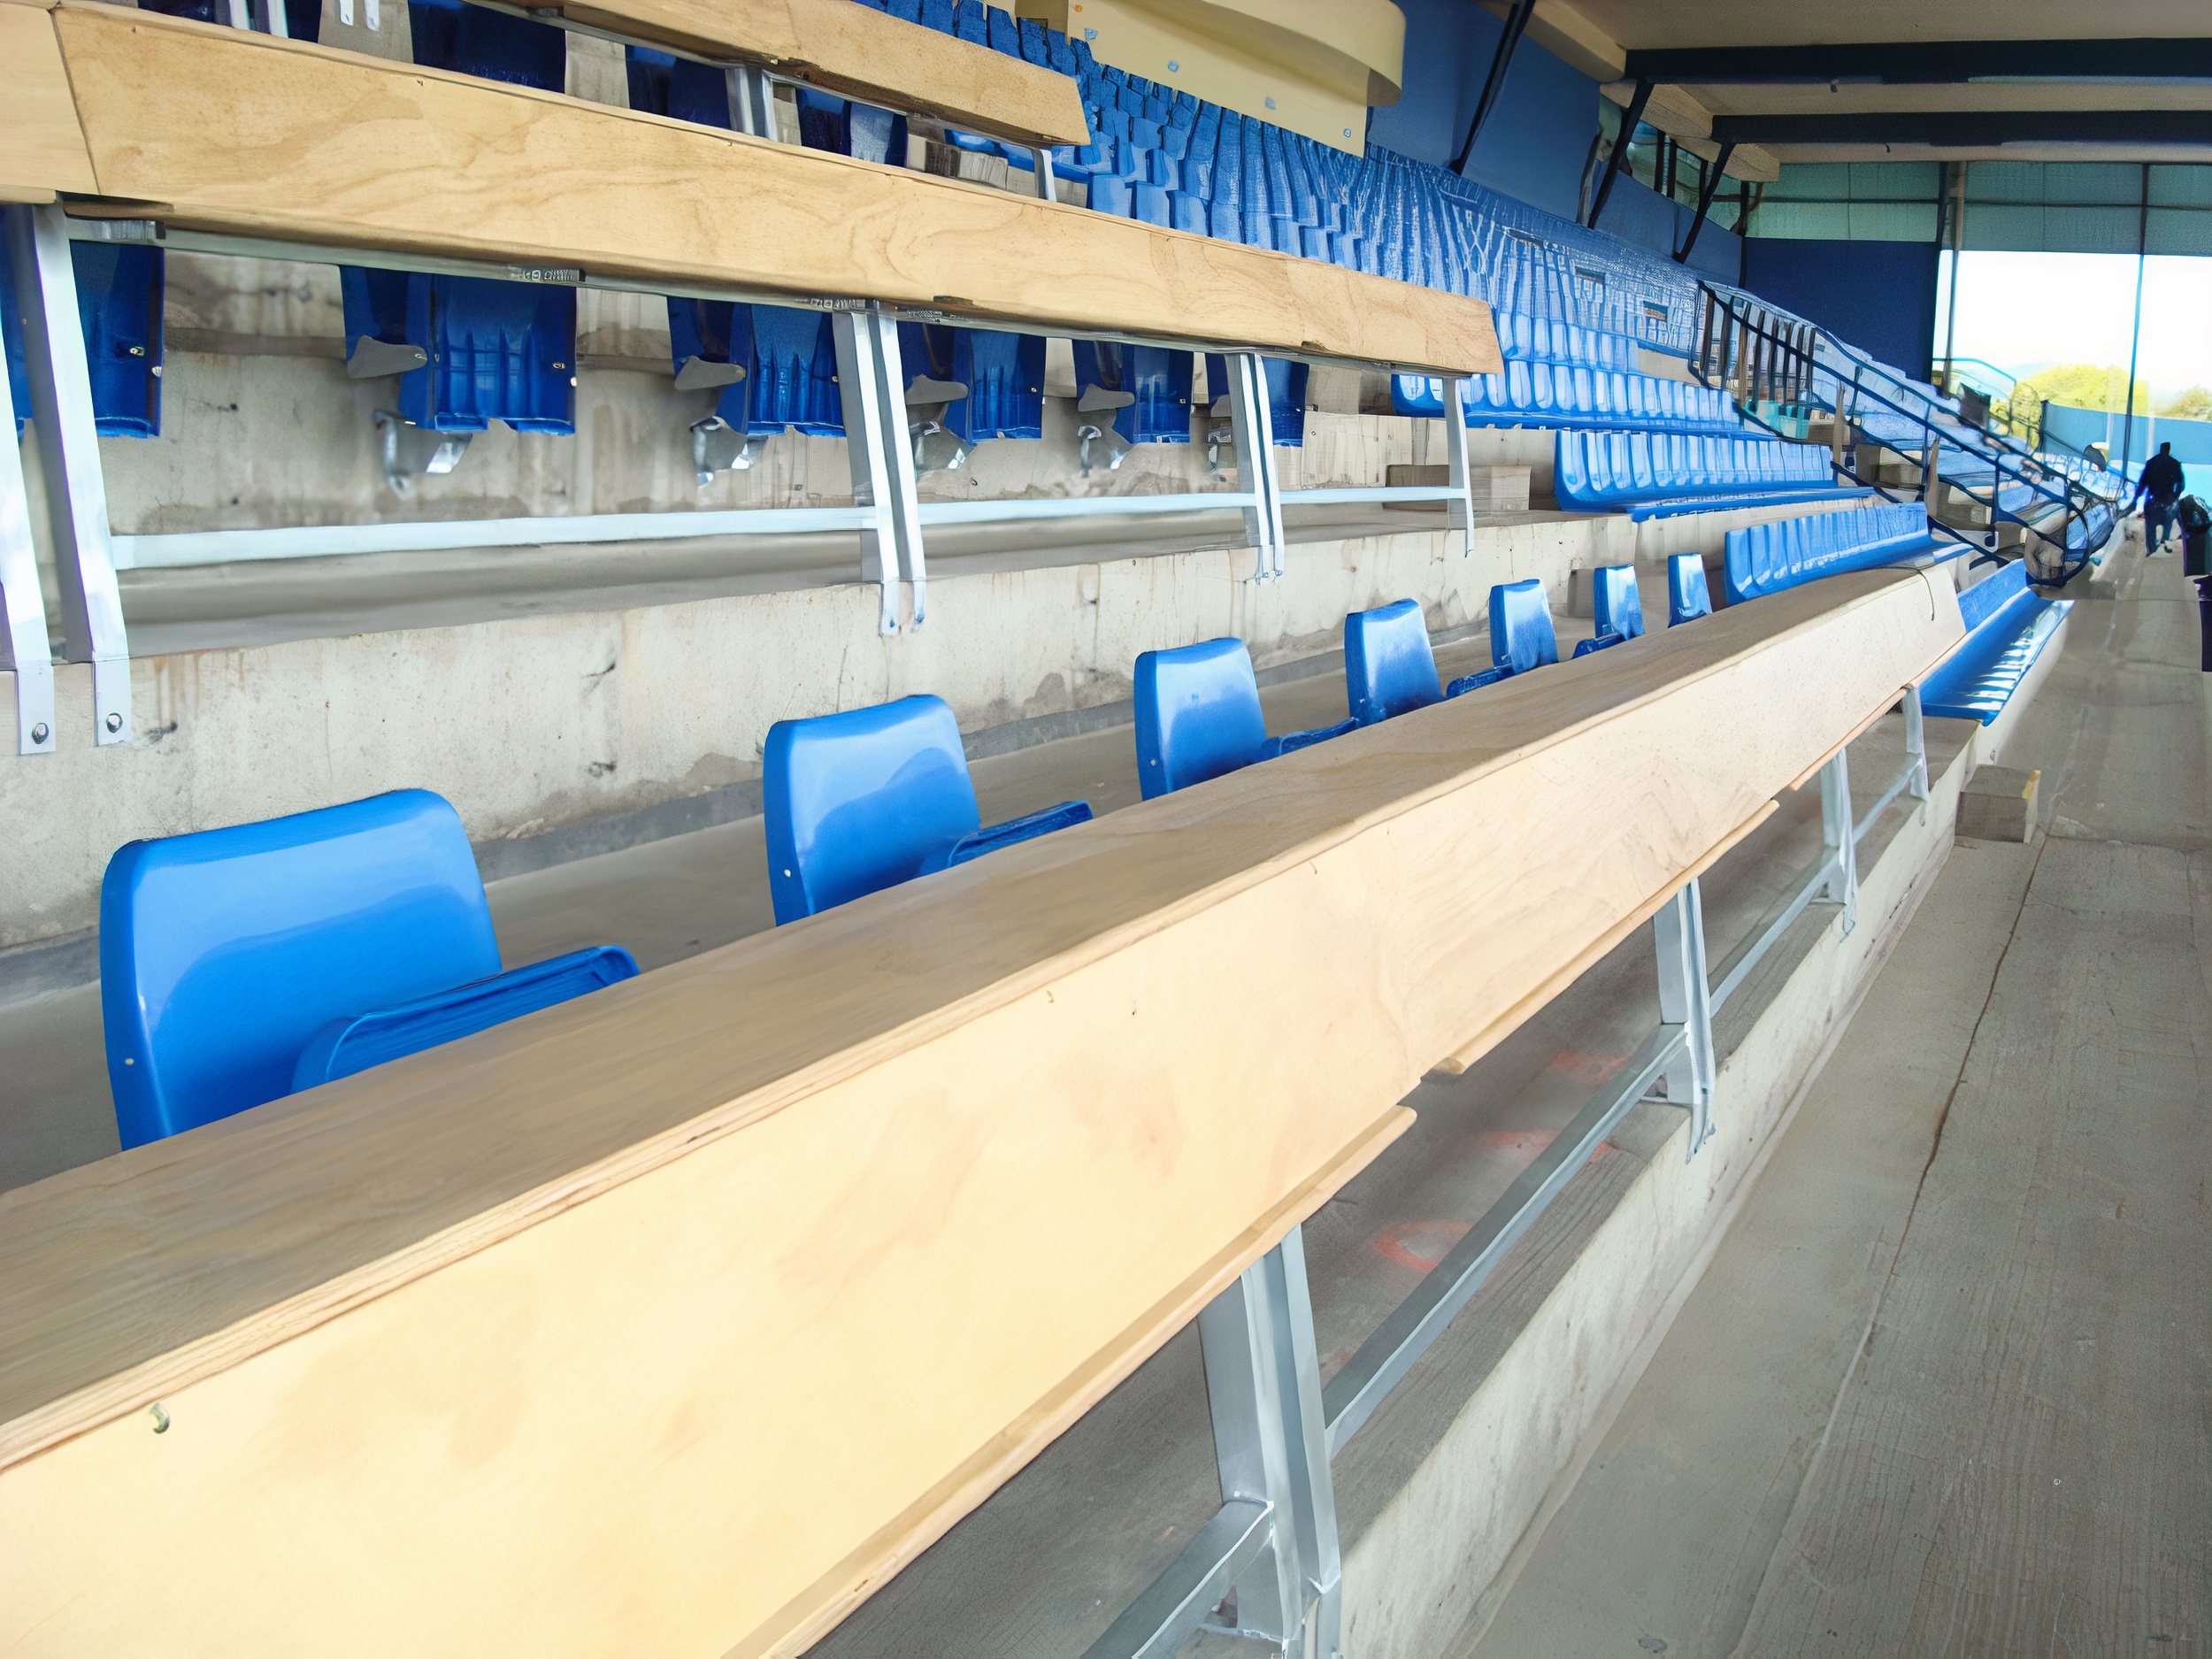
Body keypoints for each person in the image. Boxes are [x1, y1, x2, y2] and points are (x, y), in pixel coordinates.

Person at [2136, 442, 2186, 554]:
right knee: (2167, 523)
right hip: (2167, 498)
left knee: (2151, 527)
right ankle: (2164, 543)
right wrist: (2175, 496)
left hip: (2152, 498)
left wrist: (2135, 498)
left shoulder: (2151, 463)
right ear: (2168, 450)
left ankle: (2152, 549)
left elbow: (2142, 483)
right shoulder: (2174, 464)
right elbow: (2181, 483)